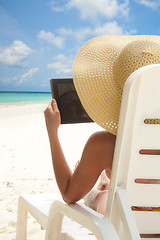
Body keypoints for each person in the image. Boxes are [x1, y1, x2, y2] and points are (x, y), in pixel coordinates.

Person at [44, 35, 160, 215]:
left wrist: (52, 134)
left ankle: (98, 190)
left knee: (103, 197)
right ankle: (109, 180)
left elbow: (69, 194)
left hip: (130, 224)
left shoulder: (103, 145)